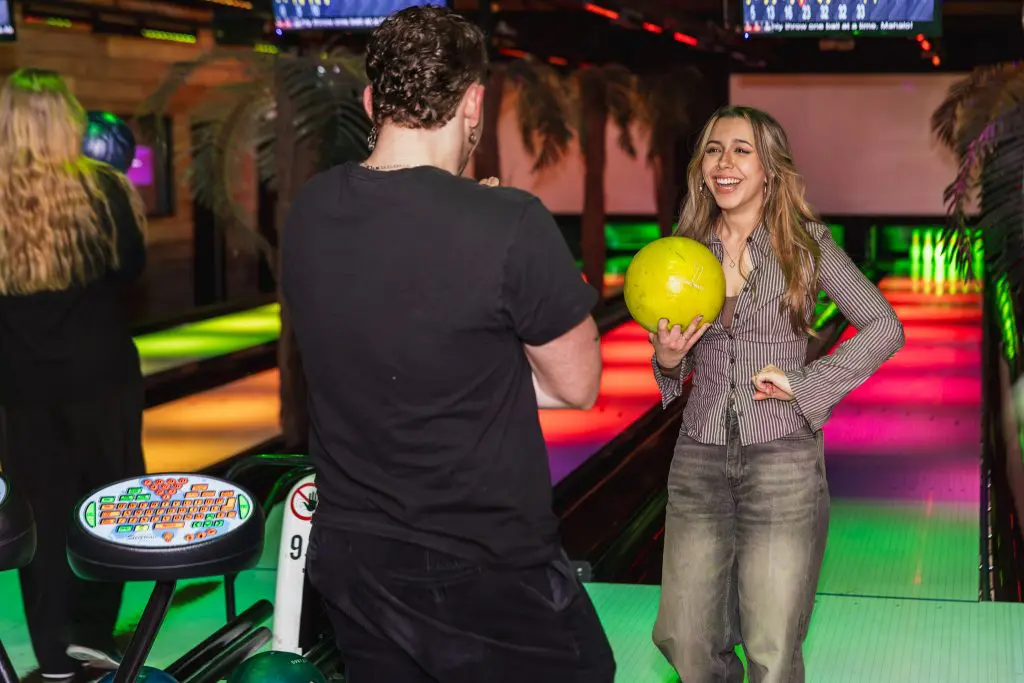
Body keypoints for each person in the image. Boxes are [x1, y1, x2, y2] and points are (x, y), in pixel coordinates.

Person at [281, 6, 615, 682]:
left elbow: (392, 326)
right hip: (484, 564)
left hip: (355, 559)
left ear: (372, 100)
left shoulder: (310, 211)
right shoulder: (510, 222)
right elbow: (576, 385)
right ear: (474, 103)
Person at [649, 105, 905, 683]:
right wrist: (667, 361)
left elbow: (884, 327)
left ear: (769, 168)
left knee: (771, 647)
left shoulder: (804, 246)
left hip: (782, 459)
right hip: (700, 455)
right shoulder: (684, 252)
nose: (725, 162)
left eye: (742, 149)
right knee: (687, 640)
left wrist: (808, 384)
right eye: (714, 150)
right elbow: (671, 358)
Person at [0, 68, 148, 682]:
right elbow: (131, 275)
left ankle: (53, 657)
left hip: (20, 389)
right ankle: (92, 636)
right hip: (103, 380)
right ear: (66, 123)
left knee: (43, 514)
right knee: (108, 506)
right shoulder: (106, 191)